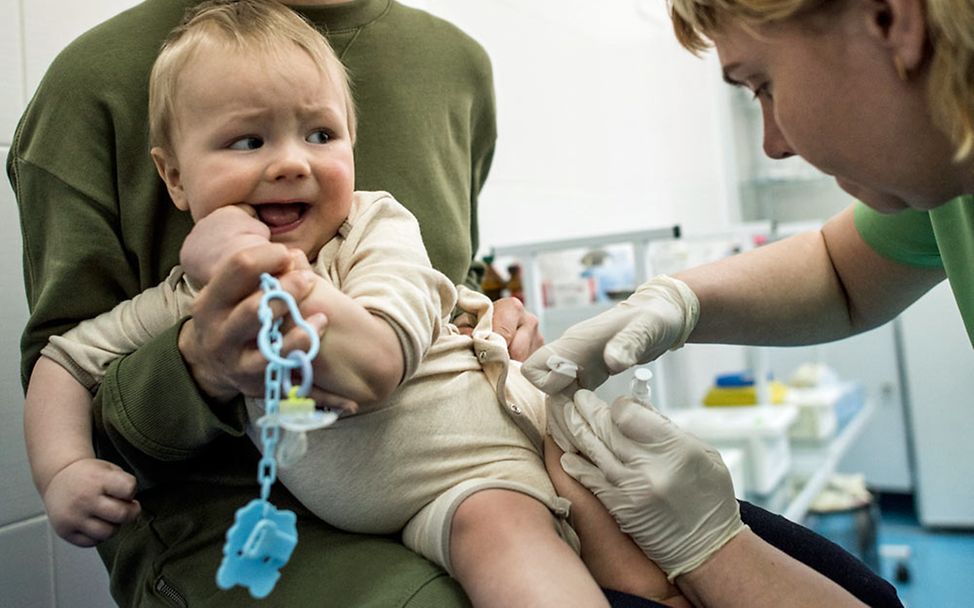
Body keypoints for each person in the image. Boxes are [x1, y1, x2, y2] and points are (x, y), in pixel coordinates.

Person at [23, 3, 692, 606]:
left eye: (320, 136)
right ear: (172, 175)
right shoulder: (182, 298)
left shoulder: (374, 228)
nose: (291, 164)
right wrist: (62, 470)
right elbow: (64, 360)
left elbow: (375, 363)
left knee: (599, 564)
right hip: (367, 504)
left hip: (489, 455)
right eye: (249, 141)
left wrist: (265, 271)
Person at [524, 0, 973, 603]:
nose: (773, 144)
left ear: (891, 21)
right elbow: (840, 273)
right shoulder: (949, 186)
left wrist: (712, 548)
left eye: (762, 85)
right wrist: (675, 303)